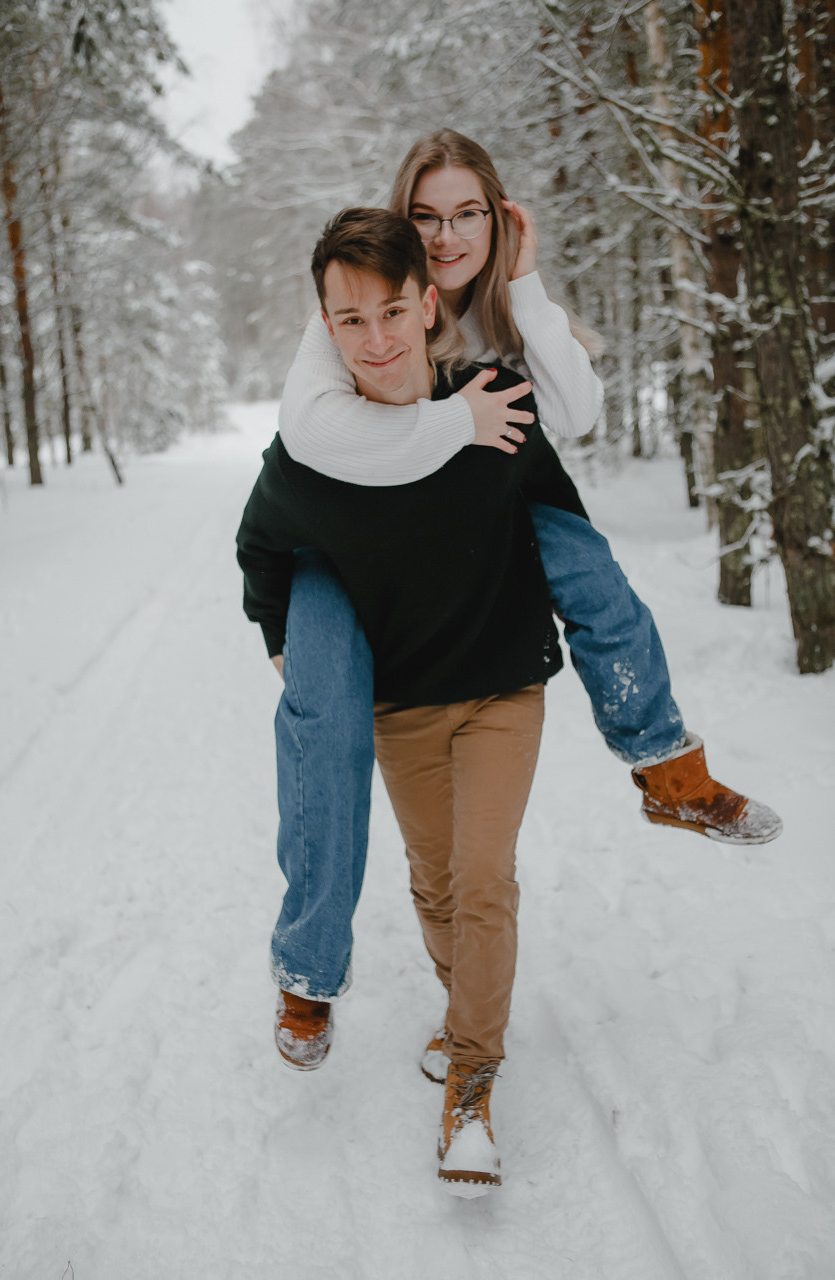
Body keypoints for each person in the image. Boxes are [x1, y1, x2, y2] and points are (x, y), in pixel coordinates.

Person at [263, 132, 782, 1069]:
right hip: (347, 535)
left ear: (498, 220)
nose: (448, 234)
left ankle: (665, 764)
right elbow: (306, 433)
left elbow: (575, 416)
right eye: (428, 216)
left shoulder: (504, 311)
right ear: (402, 227)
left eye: (469, 214)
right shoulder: (363, 298)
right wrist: (454, 418)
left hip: (493, 511)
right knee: (320, 714)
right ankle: (308, 970)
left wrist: (528, 283)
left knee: (588, 568)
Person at [238, 207, 586, 1193]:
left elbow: (561, 511)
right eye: (351, 322)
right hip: (400, 703)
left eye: (394, 311)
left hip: (501, 688)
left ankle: (471, 1081)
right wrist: (278, 631)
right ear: (325, 329)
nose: (378, 338)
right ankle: (459, 1004)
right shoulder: (313, 449)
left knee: (481, 876)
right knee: (435, 882)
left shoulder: (491, 402)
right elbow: (262, 541)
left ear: (427, 305)